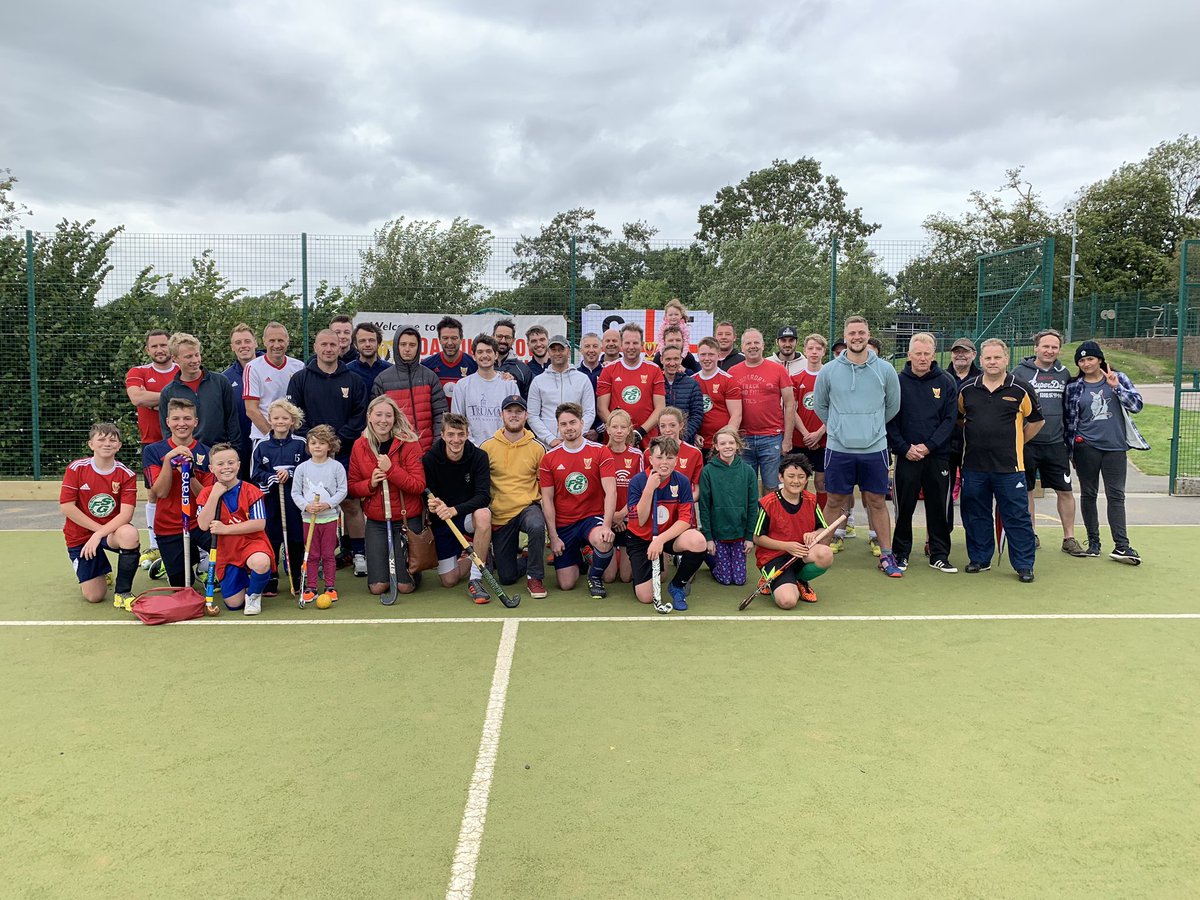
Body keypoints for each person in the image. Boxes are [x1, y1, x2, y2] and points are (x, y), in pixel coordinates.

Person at [812, 317, 902, 576]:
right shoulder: (829, 370)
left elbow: (892, 406)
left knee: (876, 501)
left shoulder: (884, 370)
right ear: (845, 336)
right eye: (852, 333)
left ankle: (886, 556)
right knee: (834, 500)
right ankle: (821, 553)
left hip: (875, 448)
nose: (857, 337)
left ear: (868, 335)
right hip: (839, 448)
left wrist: (871, 427)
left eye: (861, 332)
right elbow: (821, 406)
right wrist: (840, 428)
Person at [958, 339, 1043, 582]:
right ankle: (979, 559)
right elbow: (960, 418)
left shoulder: (1021, 388)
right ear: (980, 360)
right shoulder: (967, 389)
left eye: (997, 358)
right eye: (988, 358)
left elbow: (1037, 421)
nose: (992, 362)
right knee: (975, 514)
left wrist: (1018, 442)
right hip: (974, 466)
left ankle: (1024, 565)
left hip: (1010, 468)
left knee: (1017, 516)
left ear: (1006, 359)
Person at [286, 329, 368, 574]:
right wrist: (317, 443)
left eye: (333, 344)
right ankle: (319, 556)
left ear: (340, 347)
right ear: (316, 347)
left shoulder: (353, 380)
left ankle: (359, 554)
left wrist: (336, 441)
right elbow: (295, 416)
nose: (329, 349)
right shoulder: (300, 379)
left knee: (351, 505)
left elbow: (359, 416)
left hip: (344, 452)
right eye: (324, 344)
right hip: (312, 455)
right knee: (315, 508)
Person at [1064, 341, 1145, 565]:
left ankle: (1122, 545)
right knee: (1089, 494)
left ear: (1099, 359)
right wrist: (1071, 449)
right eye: (1081, 360)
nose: (1086, 363)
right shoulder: (1074, 387)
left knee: (1116, 495)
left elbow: (1137, 405)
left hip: (1115, 447)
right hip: (1086, 447)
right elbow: (1069, 420)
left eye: (1090, 358)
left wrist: (1116, 387)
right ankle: (1094, 543)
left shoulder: (1118, 377)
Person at [886, 333, 958, 573]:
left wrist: (929, 446)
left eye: (927, 354)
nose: (923, 358)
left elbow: (950, 420)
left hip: (937, 456)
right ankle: (901, 553)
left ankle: (939, 554)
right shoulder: (897, 382)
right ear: (909, 355)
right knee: (904, 507)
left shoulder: (946, 382)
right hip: (907, 456)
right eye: (918, 353)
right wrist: (905, 448)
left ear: (934, 355)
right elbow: (890, 420)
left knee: (938, 507)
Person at [1013, 330, 1087, 557]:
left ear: (1059, 350)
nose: (1049, 351)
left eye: (1054, 347)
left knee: (1065, 490)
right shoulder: (1019, 373)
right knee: (1027, 491)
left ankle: (1069, 538)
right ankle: (1031, 534)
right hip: (1026, 443)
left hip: (1056, 444)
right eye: (1045, 346)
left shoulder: (1065, 373)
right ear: (1036, 347)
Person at [349, 396, 427, 598]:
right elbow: (353, 488)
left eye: (388, 415)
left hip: (405, 519)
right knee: (378, 587)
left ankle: (411, 571)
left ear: (394, 418)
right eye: (378, 415)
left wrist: (391, 470)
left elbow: (418, 486)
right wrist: (370, 483)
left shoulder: (409, 444)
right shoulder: (360, 445)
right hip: (376, 521)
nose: (383, 420)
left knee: (404, 587)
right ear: (369, 416)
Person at [60, 423, 141, 608]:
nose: (107, 443)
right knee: (94, 596)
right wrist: (97, 532)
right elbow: (67, 507)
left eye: (113, 440)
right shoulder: (76, 468)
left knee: (129, 534)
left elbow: (126, 514)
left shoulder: (126, 474)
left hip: (108, 532)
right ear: (91, 444)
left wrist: (99, 535)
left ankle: (122, 592)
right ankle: (101, 569)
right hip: (80, 536)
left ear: (119, 446)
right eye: (101, 439)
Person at [539, 402, 616, 596]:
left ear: (582, 423)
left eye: (572, 422)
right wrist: (554, 537)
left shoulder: (600, 451)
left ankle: (594, 577)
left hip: (592, 518)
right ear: (558, 426)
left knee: (604, 540)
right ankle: (581, 556)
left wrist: (607, 525)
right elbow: (546, 500)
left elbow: (611, 491)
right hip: (565, 523)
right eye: (563, 424)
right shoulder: (549, 458)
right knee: (566, 584)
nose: (568, 428)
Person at [625, 436, 708, 612]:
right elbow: (639, 520)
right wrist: (649, 489)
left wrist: (660, 540)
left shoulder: (682, 481)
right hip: (640, 538)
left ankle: (677, 585)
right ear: (650, 459)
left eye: (670, 458)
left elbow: (685, 520)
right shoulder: (637, 481)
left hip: (666, 536)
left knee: (698, 541)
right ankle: (651, 564)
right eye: (660, 457)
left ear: (676, 460)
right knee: (646, 597)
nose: (664, 462)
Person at [422, 414, 494, 602]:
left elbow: (483, 496)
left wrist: (454, 509)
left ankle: (476, 579)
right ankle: (480, 554)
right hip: (442, 522)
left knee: (484, 515)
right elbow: (426, 495)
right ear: (443, 435)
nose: (456, 440)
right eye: (451, 434)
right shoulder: (430, 459)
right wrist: (431, 505)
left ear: (467, 434)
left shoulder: (479, 456)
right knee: (449, 580)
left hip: (466, 516)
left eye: (460, 434)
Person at [197, 443, 275, 615]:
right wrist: (214, 495)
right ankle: (246, 581)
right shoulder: (206, 493)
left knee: (261, 562)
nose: (226, 467)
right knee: (233, 604)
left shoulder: (251, 491)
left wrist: (225, 529)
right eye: (220, 464)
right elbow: (203, 524)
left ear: (239, 465)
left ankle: (254, 595)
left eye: (231, 462)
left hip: (252, 543)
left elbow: (259, 524)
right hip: (226, 551)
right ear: (211, 468)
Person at [481, 395, 547, 597]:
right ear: (502, 415)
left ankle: (534, 577)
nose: (514, 415)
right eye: (510, 411)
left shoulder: (537, 447)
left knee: (536, 524)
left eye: (519, 411)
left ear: (526, 416)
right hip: (501, 514)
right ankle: (526, 559)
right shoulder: (487, 447)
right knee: (507, 578)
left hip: (528, 507)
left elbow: (544, 488)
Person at [144, 398, 214, 587]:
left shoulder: (207, 453)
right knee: (182, 587)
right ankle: (173, 563)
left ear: (196, 422)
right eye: (176, 419)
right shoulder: (153, 451)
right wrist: (168, 461)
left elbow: (206, 498)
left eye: (187, 418)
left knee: (228, 558)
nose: (181, 424)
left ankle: (205, 564)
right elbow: (161, 493)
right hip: (169, 527)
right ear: (167, 422)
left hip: (201, 523)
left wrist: (190, 474)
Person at [125, 329, 178, 573]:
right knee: (154, 493)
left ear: (171, 347)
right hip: (152, 444)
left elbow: (192, 399)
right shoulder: (139, 372)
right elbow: (137, 398)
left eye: (164, 345)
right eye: (154, 346)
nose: (160, 350)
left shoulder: (181, 370)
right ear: (148, 349)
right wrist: (171, 399)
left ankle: (196, 548)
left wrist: (157, 401)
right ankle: (155, 545)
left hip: (183, 441)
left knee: (191, 489)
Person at [752, 454, 835, 607]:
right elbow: (758, 538)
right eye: (790, 476)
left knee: (826, 554)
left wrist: (814, 534)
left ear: (806, 479)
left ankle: (799, 580)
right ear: (781, 477)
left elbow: (823, 528)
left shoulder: (811, 500)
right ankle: (771, 580)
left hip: (800, 554)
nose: (796, 481)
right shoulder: (767, 503)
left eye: (801, 477)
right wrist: (787, 546)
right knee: (788, 601)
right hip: (773, 557)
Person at [252, 399, 308, 597]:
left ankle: (297, 577)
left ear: (292, 421)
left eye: (285, 418)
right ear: (270, 419)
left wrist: (291, 474)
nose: (280, 422)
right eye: (276, 418)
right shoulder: (262, 445)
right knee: (271, 539)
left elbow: (307, 470)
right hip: (271, 501)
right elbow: (255, 473)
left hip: (294, 502)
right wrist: (272, 477)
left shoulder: (301, 444)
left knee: (295, 539)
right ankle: (271, 579)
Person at [729, 329, 795, 492]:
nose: (753, 346)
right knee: (745, 488)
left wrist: (787, 439)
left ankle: (768, 518)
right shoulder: (733, 372)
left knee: (772, 487)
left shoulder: (778, 370)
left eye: (756, 342)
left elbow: (790, 404)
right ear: (742, 347)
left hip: (772, 438)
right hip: (743, 439)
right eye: (748, 343)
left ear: (763, 346)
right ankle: (750, 519)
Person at [290, 424, 348, 605]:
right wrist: (306, 506)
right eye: (313, 443)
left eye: (322, 443)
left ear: (329, 446)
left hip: (329, 518)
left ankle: (330, 586)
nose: (317, 446)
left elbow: (342, 490)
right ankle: (311, 587)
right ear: (308, 446)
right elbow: (295, 493)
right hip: (309, 519)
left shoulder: (336, 467)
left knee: (328, 554)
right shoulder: (302, 468)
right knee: (312, 554)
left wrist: (328, 504)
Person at [158, 332, 241, 452]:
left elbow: (232, 420)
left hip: (219, 453)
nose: (195, 360)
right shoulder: (168, 392)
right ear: (175, 358)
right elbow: (167, 430)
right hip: (187, 454)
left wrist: (235, 450)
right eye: (188, 356)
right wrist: (176, 453)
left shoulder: (220, 382)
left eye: (197, 355)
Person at [372, 326, 447, 454]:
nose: (407, 349)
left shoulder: (430, 377)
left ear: (418, 347)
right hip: (396, 453)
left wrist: (437, 447)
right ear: (396, 346)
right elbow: (376, 421)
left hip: (429, 453)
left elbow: (441, 415)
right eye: (403, 344)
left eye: (412, 345)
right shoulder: (382, 380)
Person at [698, 427, 758, 586]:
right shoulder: (708, 471)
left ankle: (718, 558)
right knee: (725, 580)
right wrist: (709, 538)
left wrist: (749, 537)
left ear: (737, 445)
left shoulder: (748, 471)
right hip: (719, 533)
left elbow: (753, 506)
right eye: (722, 443)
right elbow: (704, 506)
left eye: (731, 442)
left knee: (739, 581)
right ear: (716, 446)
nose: (727, 446)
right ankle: (708, 555)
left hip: (739, 532)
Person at [596, 322, 666, 448]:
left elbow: (660, 407)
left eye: (635, 343)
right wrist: (621, 431)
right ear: (621, 345)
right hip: (616, 440)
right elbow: (602, 408)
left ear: (642, 345)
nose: (631, 347)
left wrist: (640, 433)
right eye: (627, 343)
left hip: (647, 439)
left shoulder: (654, 370)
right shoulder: (608, 370)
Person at [243, 322, 305, 455]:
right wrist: (273, 437)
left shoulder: (299, 366)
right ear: (264, 342)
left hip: (293, 439)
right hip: (263, 438)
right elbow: (251, 409)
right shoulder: (252, 368)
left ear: (287, 341)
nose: (277, 345)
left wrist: (289, 436)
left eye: (281, 340)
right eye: (272, 340)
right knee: (264, 476)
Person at [528, 335, 596, 449]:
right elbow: (532, 415)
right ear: (548, 352)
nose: (557, 353)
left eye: (561, 349)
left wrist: (575, 435)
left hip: (576, 444)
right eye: (553, 350)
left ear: (569, 352)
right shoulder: (538, 381)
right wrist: (550, 439)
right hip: (547, 446)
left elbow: (589, 412)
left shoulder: (583, 379)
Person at [946, 337, 981, 535]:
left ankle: (974, 535)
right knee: (943, 493)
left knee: (974, 494)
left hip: (974, 447)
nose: (961, 355)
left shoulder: (982, 378)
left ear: (974, 355)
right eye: (957, 351)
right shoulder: (941, 377)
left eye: (965, 351)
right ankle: (940, 535)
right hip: (946, 445)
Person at [602, 409, 642, 584]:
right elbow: (597, 491)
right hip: (606, 519)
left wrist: (622, 515)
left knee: (626, 577)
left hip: (627, 518)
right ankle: (589, 553)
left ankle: (621, 554)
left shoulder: (637, 455)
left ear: (629, 431)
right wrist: (611, 517)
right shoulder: (600, 453)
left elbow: (641, 491)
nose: (619, 431)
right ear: (607, 429)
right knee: (609, 577)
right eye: (615, 427)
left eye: (623, 427)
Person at [790, 333, 828, 513]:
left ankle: (821, 522)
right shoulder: (796, 378)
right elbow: (792, 409)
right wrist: (806, 433)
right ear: (804, 351)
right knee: (799, 481)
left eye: (818, 349)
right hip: (801, 440)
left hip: (824, 440)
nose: (814, 352)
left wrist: (819, 433)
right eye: (810, 348)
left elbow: (835, 409)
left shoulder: (829, 376)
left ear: (824, 352)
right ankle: (801, 518)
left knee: (821, 482)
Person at [452, 334, 511, 446]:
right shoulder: (462, 385)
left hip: (503, 448)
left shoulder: (509, 385)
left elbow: (514, 420)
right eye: (480, 352)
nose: (485, 355)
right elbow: (457, 420)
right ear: (474, 356)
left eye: (489, 351)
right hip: (471, 450)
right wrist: (473, 447)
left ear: (496, 355)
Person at [693, 337, 742, 456]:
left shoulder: (728, 380)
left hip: (721, 445)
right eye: (703, 354)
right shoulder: (691, 380)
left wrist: (725, 441)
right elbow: (687, 413)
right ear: (698, 356)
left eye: (711, 354)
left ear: (718, 355)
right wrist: (692, 434)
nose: (707, 358)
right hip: (698, 443)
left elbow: (736, 414)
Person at [223, 324, 259, 477]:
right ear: (232, 347)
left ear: (256, 343)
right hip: (240, 446)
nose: (243, 346)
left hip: (268, 442)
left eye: (247, 341)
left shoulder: (269, 368)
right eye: (238, 343)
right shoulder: (225, 378)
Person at [422, 315, 477, 401]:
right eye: (445, 338)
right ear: (439, 339)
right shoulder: (426, 366)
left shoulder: (474, 365)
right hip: (438, 414)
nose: (450, 342)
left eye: (454, 338)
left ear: (461, 339)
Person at [651, 407, 704, 496]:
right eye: (663, 426)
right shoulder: (650, 452)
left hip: (683, 506)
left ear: (681, 425)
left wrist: (682, 504)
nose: (667, 430)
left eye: (672, 425)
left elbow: (697, 491)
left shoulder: (694, 453)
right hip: (656, 506)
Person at [659, 345, 704, 444]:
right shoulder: (655, 382)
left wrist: (682, 437)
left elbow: (697, 415)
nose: (672, 363)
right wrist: (661, 436)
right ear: (661, 359)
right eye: (668, 359)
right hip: (660, 442)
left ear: (681, 360)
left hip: (685, 441)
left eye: (676, 359)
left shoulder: (692, 384)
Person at [347, 322, 393, 394]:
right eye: (362, 341)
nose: (367, 344)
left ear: (378, 344)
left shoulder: (390, 370)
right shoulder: (347, 371)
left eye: (371, 340)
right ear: (356, 345)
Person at [493, 318, 532, 398]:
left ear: (513, 340)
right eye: (499, 336)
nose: (503, 341)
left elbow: (529, 400)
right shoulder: (482, 365)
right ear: (492, 337)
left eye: (507, 337)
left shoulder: (523, 369)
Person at [577, 331, 605, 440]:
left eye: (595, 346)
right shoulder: (574, 374)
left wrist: (598, 430)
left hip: (603, 432)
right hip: (579, 431)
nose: (591, 350)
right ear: (581, 350)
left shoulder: (607, 373)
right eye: (587, 346)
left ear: (601, 349)